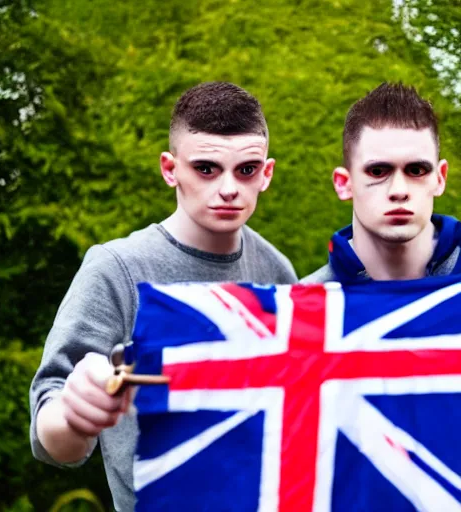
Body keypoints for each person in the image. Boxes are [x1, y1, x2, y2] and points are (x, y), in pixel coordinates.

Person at [29, 81, 298, 511]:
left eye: (245, 170)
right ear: (170, 169)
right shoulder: (116, 267)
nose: (229, 188)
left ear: (266, 173)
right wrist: (73, 413)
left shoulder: (278, 272)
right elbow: (51, 431)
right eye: (206, 168)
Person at [302, 82, 461, 284]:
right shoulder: (307, 307)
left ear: (440, 178)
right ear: (344, 184)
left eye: (416, 171)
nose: (399, 191)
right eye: (377, 171)